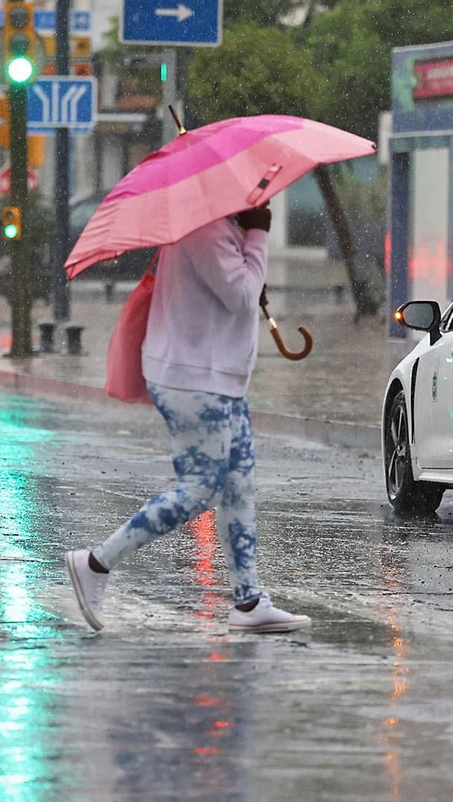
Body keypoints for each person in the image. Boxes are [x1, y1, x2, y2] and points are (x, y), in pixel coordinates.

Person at [64, 204, 310, 634]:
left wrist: (249, 245)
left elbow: (235, 290)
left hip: (221, 378)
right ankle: (97, 562)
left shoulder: (221, 226)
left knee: (238, 487)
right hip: (194, 380)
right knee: (201, 488)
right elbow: (238, 295)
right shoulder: (204, 227)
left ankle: (249, 601)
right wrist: (258, 237)